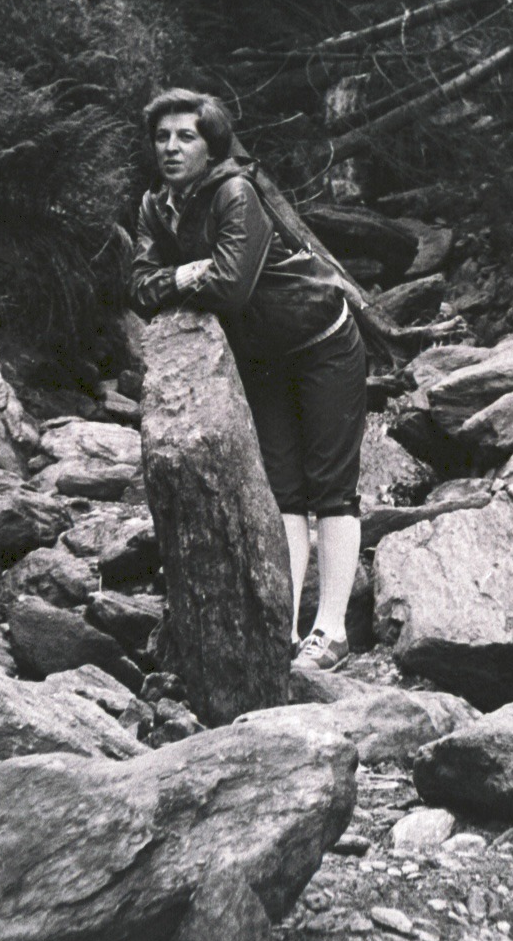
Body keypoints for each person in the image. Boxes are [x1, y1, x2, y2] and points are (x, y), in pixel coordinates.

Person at [130, 88, 366, 669]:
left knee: (331, 488)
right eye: (162, 137)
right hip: (260, 355)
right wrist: (188, 271)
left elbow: (233, 285)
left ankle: (331, 631)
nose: (171, 147)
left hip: (322, 341)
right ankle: (280, 628)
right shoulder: (156, 207)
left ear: (211, 145)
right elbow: (137, 286)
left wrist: (174, 276)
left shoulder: (237, 193)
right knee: (282, 490)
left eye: (186, 136)